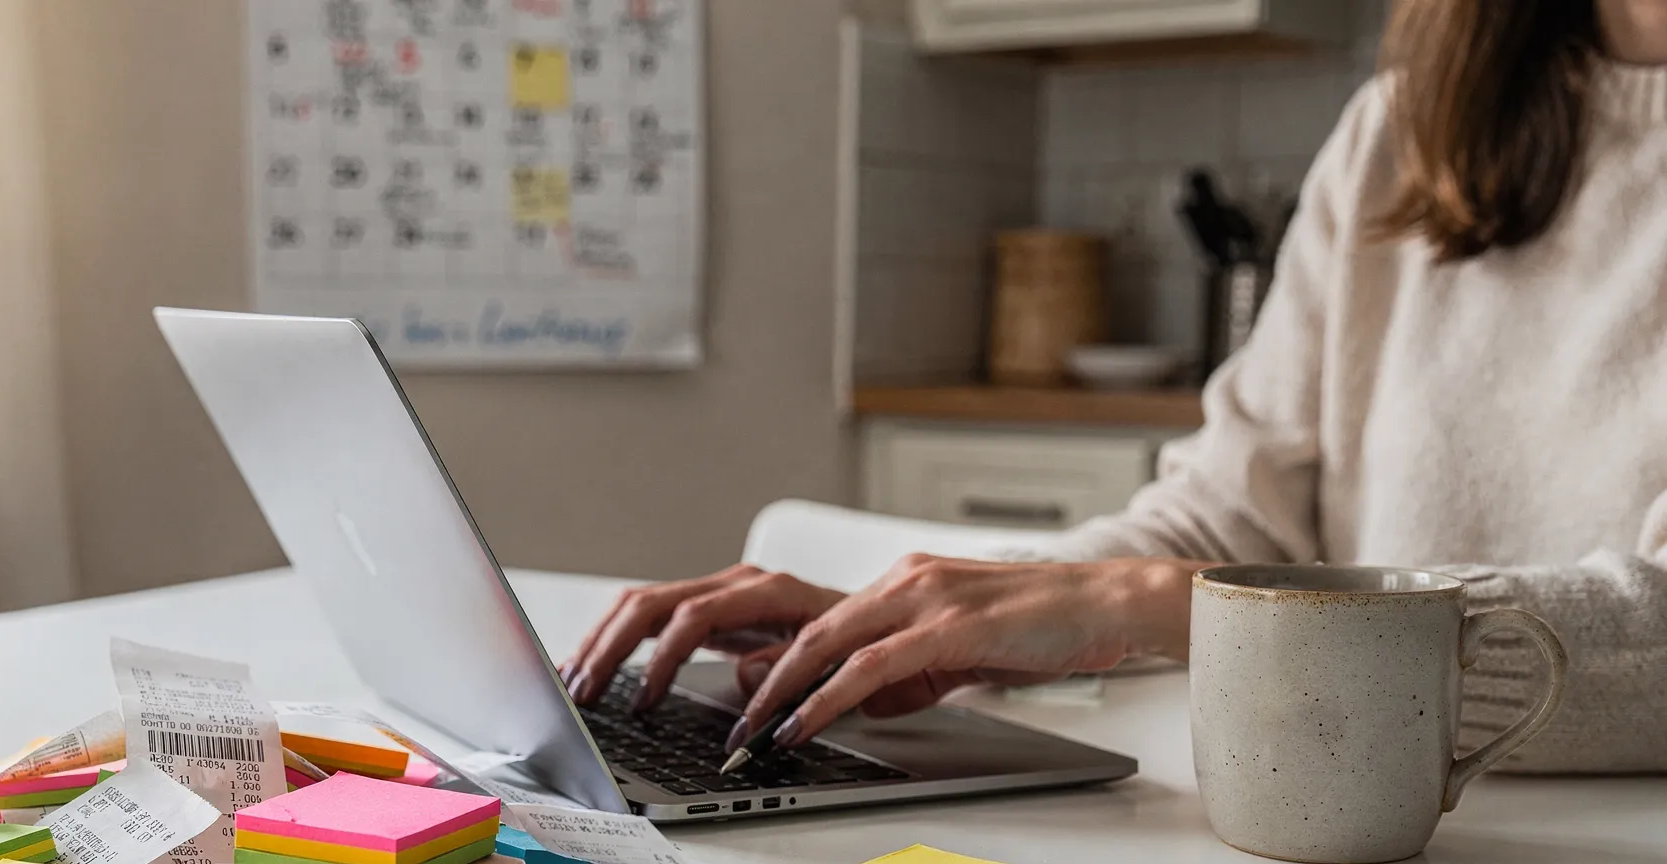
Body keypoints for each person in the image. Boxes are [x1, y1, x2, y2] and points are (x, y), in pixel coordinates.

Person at [563, 0, 1667, 775]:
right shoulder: (1402, 131)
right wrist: (976, 616)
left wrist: (1164, 603)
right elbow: (1225, 516)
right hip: (1337, 828)